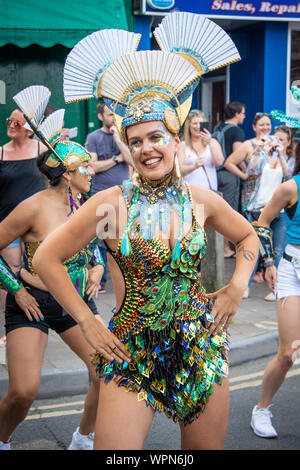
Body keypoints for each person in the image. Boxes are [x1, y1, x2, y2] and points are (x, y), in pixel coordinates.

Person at [33, 15, 258, 450]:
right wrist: (88, 320)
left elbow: (248, 237)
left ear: (175, 138)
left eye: (155, 137)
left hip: (200, 346)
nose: (145, 149)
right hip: (131, 351)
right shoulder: (110, 204)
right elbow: (45, 257)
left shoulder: (201, 201)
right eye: (134, 142)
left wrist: (236, 287)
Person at [0, 91, 105, 451]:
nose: (92, 171)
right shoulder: (32, 208)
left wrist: (97, 265)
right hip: (32, 301)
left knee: (104, 373)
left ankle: (83, 438)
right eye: (85, 168)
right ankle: (1, 438)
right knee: (23, 391)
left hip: (75, 303)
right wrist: (16, 289)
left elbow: (93, 239)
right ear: (67, 173)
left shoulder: (84, 203)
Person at [250, 140, 300, 438]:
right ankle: (261, 409)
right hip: (291, 271)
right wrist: (268, 262)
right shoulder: (290, 188)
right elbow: (262, 223)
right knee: (287, 353)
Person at [225, 116, 294, 299]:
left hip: (278, 208)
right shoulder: (254, 146)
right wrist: (259, 150)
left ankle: (277, 289)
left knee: (278, 250)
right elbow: (252, 171)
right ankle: (244, 287)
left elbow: (288, 177)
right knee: (253, 247)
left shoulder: (279, 151)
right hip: (255, 205)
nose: (265, 127)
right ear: (254, 126)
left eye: (268, 125)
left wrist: (278, 153)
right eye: (262, 124)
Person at [0, 109, 48, 313]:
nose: (11, 125)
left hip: (38, 224)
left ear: (29, 130)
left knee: (38, 268)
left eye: (17, 123)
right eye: (9, 121)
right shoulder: (1, 152)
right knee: (11, 270)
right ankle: (11, 318)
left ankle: (41, 313)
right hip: (8, 221)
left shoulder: (43, 150)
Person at [86, 101, 133, 293]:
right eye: (109, 115)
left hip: (124, 194)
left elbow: (131, 160)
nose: (112, 118)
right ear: (100, 117)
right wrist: (116, 159)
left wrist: (119, 140)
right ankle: (102, 279)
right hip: (100, 194)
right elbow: (93, 167)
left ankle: (127, 278)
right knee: (101, 238)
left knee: (124, 236)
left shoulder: (123, 136)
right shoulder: (93, 137)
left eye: (115, 114)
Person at [213, 101, 246, 258]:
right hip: (229, 174)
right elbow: (237, 155)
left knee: (217, 210)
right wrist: (246, 170)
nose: (244, 116)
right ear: (236, 114)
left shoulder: (217, 128)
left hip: (215, 174)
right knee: (229, 212)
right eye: (243, 113)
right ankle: (225, 249)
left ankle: (218, 246)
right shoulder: (236, 131)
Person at [177, 110, 224, 190]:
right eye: (194, 123)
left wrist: (210, 142)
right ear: (189, 126)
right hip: (191, 194)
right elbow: (178, 170)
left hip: (210, 193)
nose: (198, 127)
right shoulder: (182, 145)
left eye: (201, 124)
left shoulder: (213, 142)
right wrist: (194, 166)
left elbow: (219, 162)